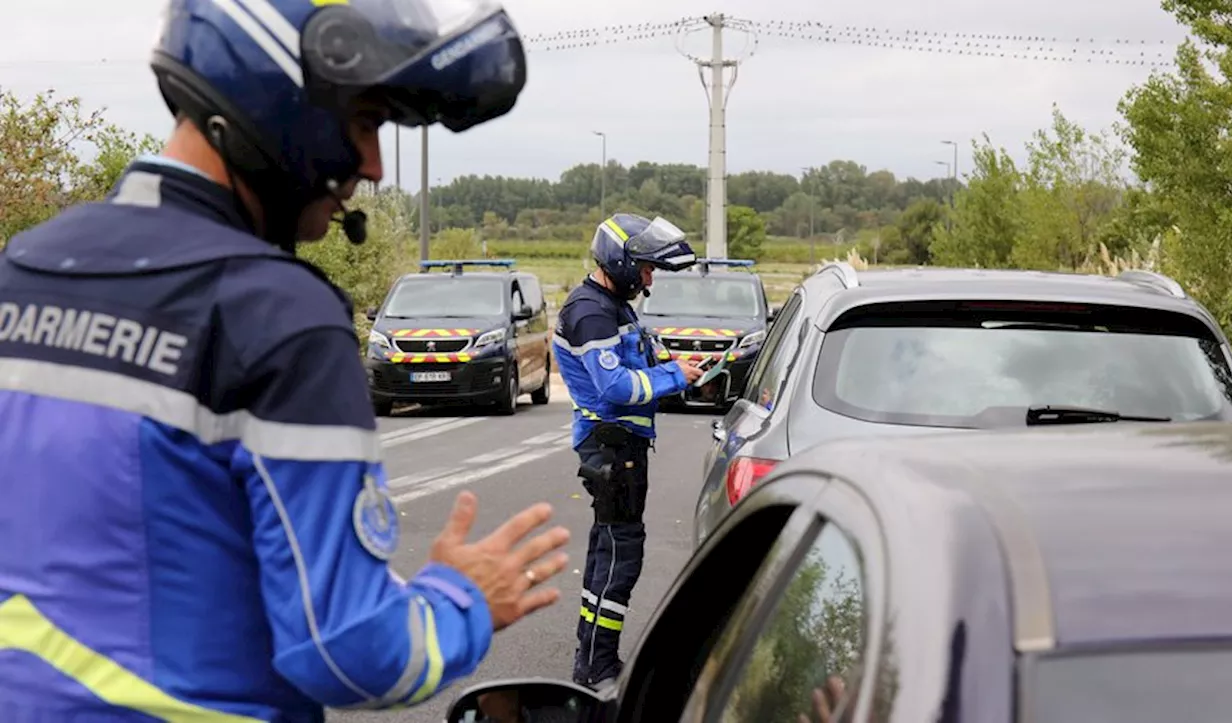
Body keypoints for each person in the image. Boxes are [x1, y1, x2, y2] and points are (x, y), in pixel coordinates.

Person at [0, 0, 571, 720]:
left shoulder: (23, 268)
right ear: (284, 100)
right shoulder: (277, 317)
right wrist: (465, 600)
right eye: (365, 124)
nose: (374, 166)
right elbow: (348, 651)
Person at [552, 213, 705, 689]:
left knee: (606, 551)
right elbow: (616, 385)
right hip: (612, 448)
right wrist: (675, 376)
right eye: (644, 268)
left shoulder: (612, 304)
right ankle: (598, 667)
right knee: (622, 555)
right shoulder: (592, 311)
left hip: (619, 448)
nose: (649, 277)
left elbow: (637, 362)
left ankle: (590, 652)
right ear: (619, 262)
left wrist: (678, 364)